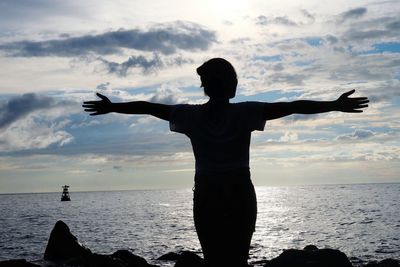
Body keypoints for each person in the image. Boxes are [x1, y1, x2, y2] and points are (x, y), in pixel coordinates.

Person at [82, 58, 369, 267]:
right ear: (230, 86)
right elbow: (293, 106)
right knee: (238, 260)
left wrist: (112, 107)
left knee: (214, 260)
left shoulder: (189, 115)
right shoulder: (245, 113)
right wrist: (333, 104)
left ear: (205, 87)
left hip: (208, 193)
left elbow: (147, 108)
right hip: (238, 191)